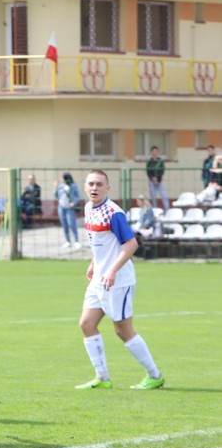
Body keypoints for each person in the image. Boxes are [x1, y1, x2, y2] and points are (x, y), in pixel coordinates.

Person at [75, 169, 164, 391]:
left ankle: (155, 375)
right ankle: (102, 378)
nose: (94, 188)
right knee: (86, 324)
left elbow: (131, 244)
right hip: (99, 279)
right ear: (85, 187)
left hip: (118, 281)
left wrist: (112, 270)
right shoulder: (88, 208)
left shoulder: (113, 213)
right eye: (91, 184)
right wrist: (94, 264)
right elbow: (100, 242)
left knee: (122, 330)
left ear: (108, 188)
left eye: (99, 184)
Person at [55, 173, 82, 249]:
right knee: (64, 225)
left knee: (71, 224)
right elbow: (56, 196)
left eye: (62, 178)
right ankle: (68, 241)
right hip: (61, 207)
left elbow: (77, 196)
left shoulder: (73, 186)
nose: (61, 180)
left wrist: (73, 203)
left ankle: (76, 241)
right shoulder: (61, 186)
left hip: (70, 208)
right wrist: (55, 188)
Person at [146, 146, 169, 211]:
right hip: (152, 181)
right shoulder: (149, 162)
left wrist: (158, 178)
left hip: (159, 181)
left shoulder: (160, 161)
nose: (155, 153)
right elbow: (148, 171)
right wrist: (153, 178)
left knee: (164, 195)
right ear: (151, 152)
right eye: (153, 151)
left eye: (156, 151)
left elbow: (162, 170)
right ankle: (155, 210)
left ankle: (167, 209)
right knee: (153, 197)